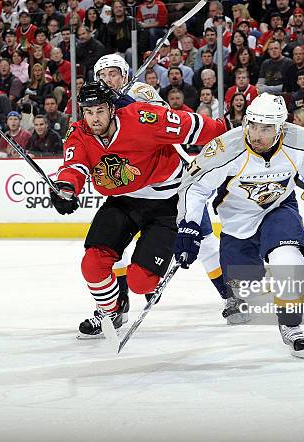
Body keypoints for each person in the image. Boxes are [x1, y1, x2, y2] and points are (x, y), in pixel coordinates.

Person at [175, 93, 304, 359]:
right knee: (244, 286)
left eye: (266, 128)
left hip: (278, 209)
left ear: (280, 128)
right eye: (252, 125)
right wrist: (189, 225)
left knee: (288, 259)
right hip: (237, 221)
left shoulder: (299, 141)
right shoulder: (226, 148)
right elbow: (194, 187)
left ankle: (291, 325)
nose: (256, 134)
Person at [49, 82, 228, 338]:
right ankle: (111, 310)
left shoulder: (144, 118)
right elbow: (74, 165)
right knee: (92, 263)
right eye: (88, 112)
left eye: (99, 111)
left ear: (112, 109)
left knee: (140, 281)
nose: (94, 118)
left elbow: (194, 127)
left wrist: (226, 132)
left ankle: (224, 292)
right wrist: (65, 189)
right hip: (123, 201)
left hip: (166, 203)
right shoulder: (79, 132)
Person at [93, 54, 248, 324]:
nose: (108, 79)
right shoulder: (94, 106)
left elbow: (165, 119)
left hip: (169, 185)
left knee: (204, 239)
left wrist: (127, 104)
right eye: (103, 75)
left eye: (114, 74)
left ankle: (231, 296)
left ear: (125, 76)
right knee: (112, 246)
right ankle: (117, 305)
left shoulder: (141, 91)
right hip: (128, 188)